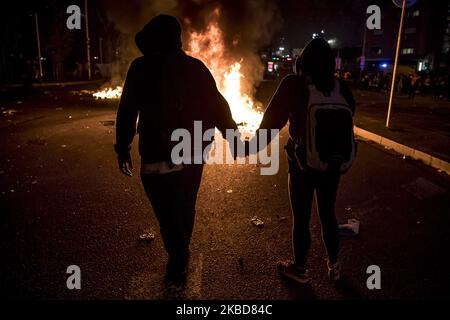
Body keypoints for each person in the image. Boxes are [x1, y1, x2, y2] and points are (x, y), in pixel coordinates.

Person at [115, 15, 239, 283]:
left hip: (156, 152)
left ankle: (178, 255)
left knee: (166, 209)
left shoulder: (140, 68)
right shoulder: (196, 68)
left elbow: (127, 111)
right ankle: (180, 252)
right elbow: (218, 105)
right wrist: (233, 137)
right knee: (185, 205)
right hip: (192, 152)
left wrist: (123, 146)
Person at [249, 38, 355, 283]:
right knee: (328, 213)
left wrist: (249, 147)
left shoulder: (294, 85)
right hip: (333, 164)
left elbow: (272, 122)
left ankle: (300, 269)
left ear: (302, 63)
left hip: (302, 165)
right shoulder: (341, 87)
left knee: (302, 217)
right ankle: (334, 266)